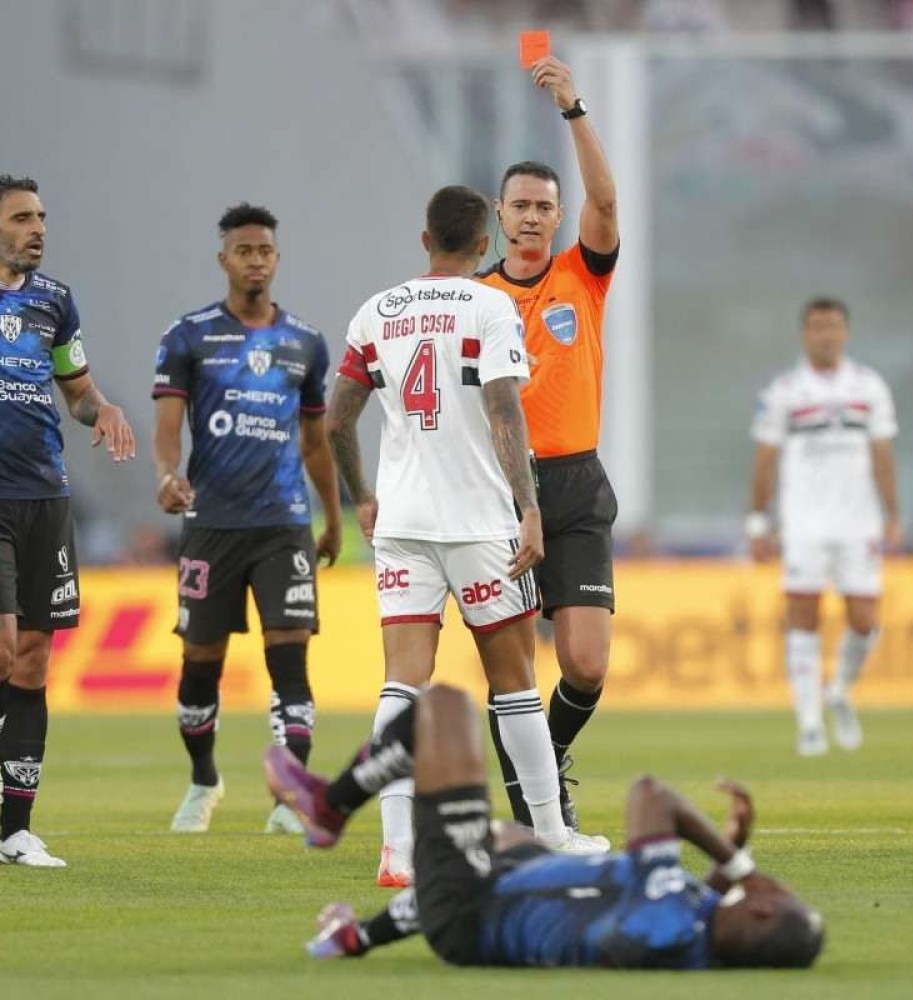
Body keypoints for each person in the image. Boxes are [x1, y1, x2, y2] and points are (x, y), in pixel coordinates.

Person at [326, 184, 609, 887]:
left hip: (402, 520)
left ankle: (395, 851)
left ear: (425, 240)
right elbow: (505, 408)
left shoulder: (376, 311)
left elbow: (336, 419)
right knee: (513, 680)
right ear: (485, 242)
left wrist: (359, 495)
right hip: (479, 520)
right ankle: (548, 833)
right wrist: (530, 507)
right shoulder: (491, 305)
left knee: (403, 680)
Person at [264, 684, 825, 970]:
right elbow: (686, 905)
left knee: (445, 709)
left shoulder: (664, 918)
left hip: (468, 909)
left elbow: (651, 795)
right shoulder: (690, 935)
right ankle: (355, 937)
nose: (774, 886)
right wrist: (731, 864)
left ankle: (330, 807)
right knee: (513, 843)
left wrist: (737, 863)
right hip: (483, 901)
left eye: (779, 894)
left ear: (763, 910)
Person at [152, 203, 341, 834]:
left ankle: (291, 798)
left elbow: (316, 443)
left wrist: (333, 517)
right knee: (199, 663)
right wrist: (167, 475)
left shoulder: (305, 343)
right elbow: (169, 426)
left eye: (265, 250)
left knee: (290, 658)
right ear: (224, 259)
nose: (255, 259)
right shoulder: (189, 336)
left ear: (276, 259)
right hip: (211, 524)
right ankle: (203, 778)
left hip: (283, 523)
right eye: (244, 250)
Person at [476, 54, 619, 832]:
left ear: (558, 218)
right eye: (520, 205)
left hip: (576, 482)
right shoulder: (475, 297)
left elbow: (607, 196)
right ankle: (536, 809)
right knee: (513, 671)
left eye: (544, 206)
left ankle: (539, 761)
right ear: (500, 214)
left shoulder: (581, 277)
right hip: (499, 489)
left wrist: (573, 108)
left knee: (587, 666)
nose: (532, 217)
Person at [0, 174, 135, 867]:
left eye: (42, 216)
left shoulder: (55, 302)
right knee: (1, 649)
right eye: (23, 217)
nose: (38, 228)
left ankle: (14, 830)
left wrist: (103, 409)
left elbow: (76, 391)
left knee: (32, 659)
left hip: (45, 496)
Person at [747, 298, 900, 756]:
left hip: (859, 521)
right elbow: (765, 461)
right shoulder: (784, 391)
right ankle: (809, 722)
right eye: (817, 327)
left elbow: (883, 456)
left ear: (846, 332)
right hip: (804, 522)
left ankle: (840, 692)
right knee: (803, 615)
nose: (825, 335)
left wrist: (892, 514)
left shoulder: (870, 387)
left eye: (833, 326)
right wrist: (758, 522)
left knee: (866, 620)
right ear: (804, 334)